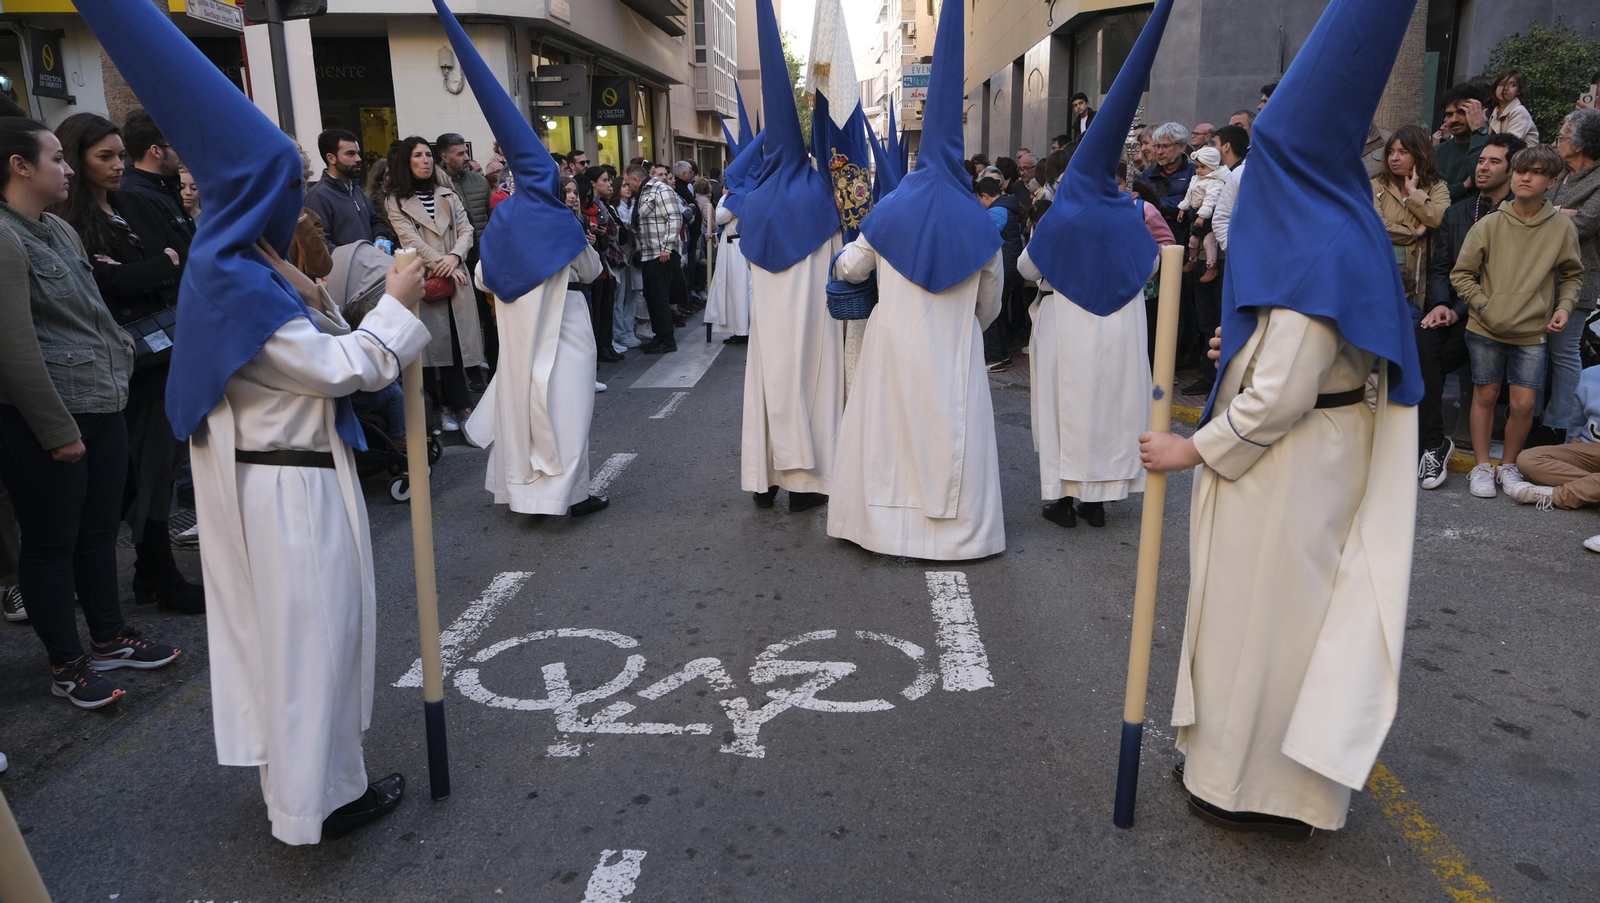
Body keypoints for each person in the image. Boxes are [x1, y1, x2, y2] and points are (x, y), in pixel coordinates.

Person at [77, 0, 435, 843]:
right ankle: (319, 805)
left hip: (289, 476)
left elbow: (317, 339)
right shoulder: (233, 280)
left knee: (306, 645)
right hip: (288, 486)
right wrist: (396, 305)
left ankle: (307, 790)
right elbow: (341, 368)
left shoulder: (242, 268)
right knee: (311, 646)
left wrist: (323, 293)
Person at [1139, 0, 1425, 837]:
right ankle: (1242, 772)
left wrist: (1193, 447)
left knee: (1258, 622)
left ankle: (1245, 787)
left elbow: (1281, 394)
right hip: (1310, 460)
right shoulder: (1340, 227)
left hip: (1288, 466)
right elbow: (1300, 342)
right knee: (1271, 618)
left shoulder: (1319, 242)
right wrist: (1252, 335)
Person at [0, 113, 180, 710]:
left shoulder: (58, 229)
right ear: (19, 166)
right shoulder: (5, 239)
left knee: (98, 532)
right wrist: (55, 430)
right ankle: (67, 662)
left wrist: (123, 355)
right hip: (49, 415)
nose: (68, 168)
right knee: (51, 541)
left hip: (103, 400)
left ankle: (108, 637)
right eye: (56, 158)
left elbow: (93, 314)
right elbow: (15, 346)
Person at [827, 0, 1004, 560]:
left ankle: (883, 532)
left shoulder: (888, 213)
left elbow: (850, 268)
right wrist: (960, 323)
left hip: (893, 340)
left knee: (887, 435)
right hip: (952, 344)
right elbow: (990, 304)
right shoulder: (978, 221)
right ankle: (954, 538)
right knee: (951, 438)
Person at [435, 1, 607, 519]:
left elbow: (486, 276)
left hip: (516, 328)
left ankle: (521, 493)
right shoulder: (559, 220)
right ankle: (564, 496)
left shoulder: (505, 217)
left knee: (520, 405)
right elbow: (590, 272)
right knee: (566, 411)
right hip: (564, 324)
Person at [1022, 0, 1170, 532]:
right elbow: (1152, 267)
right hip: (1121, 325)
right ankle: (1098, 500)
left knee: (1063, 413)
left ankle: (1062, 497)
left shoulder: (1061, 215)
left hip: (1067, 321)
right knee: (1110, 408)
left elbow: (1025, 268)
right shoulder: (1130, 215)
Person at [49, 113, 206, 615]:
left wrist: (150, 270)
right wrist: (158, 267)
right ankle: (153, 571)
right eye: (105, 157)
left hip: (165, 353)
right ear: (77, 159)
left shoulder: (132, 203)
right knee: (140, 470)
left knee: (155, 466)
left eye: (120, 154)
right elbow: (107, 285)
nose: (118, 165)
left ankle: (151, 570)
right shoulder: (67, 222)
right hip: (125, 363)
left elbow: (184, 256)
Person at [739, 0, 846, 513]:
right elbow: (838, 256)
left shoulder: (755, 201)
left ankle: (765, 480)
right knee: (813, 384)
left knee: (767, 384)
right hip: (813, 315)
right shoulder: (820, 195)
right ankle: (805, 484)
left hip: (769, 316)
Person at [1452, 144, 1583, 498]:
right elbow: (1462, 274)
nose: (1526, 177)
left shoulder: (1561, 228)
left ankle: (1508, 465)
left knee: (1524, 403)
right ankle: (1482, 466)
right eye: (1521, 170)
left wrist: (1565, 307)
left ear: (1552, 181)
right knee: (1486, 394)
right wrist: (1484, 306)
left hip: (1532, 330)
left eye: (1537, 172)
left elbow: (1572, 274)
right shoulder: (1491, 223)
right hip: (1485, 325)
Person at [1417, 133, 1523, 490]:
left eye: (1494, 162)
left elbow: (1497, 276)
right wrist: (1441, 306)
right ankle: (1433, 442)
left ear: (1512, 170)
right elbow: (1440, 267)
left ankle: (1429, 442)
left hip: (1492, 314)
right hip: (1455, 309)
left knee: (1434, 356)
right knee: (1421, 344)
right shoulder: (1460, 211)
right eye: (1481, 160)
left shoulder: (1519, 213)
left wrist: (1457, 310)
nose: (1483, 167)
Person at [384, 136, 482, 433]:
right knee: (428, 347)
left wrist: (453, 257)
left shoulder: (447, 194)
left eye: (428, 155)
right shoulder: (395, 200)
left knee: (456, 343)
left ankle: (461, 408)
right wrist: (442, 263)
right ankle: (440, 409)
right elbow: (408, 238)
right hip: (423, 278)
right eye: (417, 156)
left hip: (456, 275)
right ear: (406, 161)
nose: (425, 160)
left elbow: (467, 229)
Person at [1543, 109, 1600, 442]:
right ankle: (1534, 417)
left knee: (1564, 354)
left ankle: (1559, 425)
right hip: (1538, 276)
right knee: (1534, 352)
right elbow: (1528, 209)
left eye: (1563, 136)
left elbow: (1585, 223)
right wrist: (1559, 214)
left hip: (1578, 276)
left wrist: (1550, 216)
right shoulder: (1556, 174)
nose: (1558, 141)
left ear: (1582, 143)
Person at [1504, 364, 1600, 554]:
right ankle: (1593, 488)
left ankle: (1558, 496)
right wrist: (1571, 444)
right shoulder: (1590, 374)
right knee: (1528, 459)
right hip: (1589, 448)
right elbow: (1576, 421)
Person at [436, 132, 495, 382]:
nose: (466, 157)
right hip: (455, 260)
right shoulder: (437, 185)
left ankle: (495, 370)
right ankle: (472, 375)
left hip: (483, 258)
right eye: (459, 153)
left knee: (490, 318)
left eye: (465, 152)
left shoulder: (480, 182)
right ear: (445, 156)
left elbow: (489, 219)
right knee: (463, 322)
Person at [1374, 125, 1451, 311]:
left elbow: (1440, 220)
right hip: (1381, 268)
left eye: (1402, 152)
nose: (1394, 158)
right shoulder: (1376, 185)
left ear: (1419, 154)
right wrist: (1415, 233)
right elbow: (1375, 225)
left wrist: (1413, 192)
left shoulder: (1436, 186)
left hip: (1419, 274)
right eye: (1391, 152)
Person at [707, 132, 762, 344]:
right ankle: (742, 328)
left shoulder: (736, 196)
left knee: (739, 289)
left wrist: (722, 199)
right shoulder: (746, 193)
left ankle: (743, 330)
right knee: (739, 288)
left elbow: (720, 217)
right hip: (735, 245)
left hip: (736, 247)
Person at [623, 163, 682, 353]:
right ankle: (659, 336)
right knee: (651, 296)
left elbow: (674, 217)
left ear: (635, 179)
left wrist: (667, 247)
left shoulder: (660, 189)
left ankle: (667, 339)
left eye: (627, 183)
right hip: (648, 252)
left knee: (659, 296)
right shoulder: (641, 194)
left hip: (660, 253)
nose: (626, 187)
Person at [306, 129, 395, 249]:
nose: (358, 159)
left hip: (371, 263)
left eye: (357, 153)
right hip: (345, 266)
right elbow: (320, 245)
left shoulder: (356, 190)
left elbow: (375, 221)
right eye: (350, 154)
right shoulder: (318, 196)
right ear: (331, 158)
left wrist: (380, 239)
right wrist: (356, 257)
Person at [120, 109, 194, 245]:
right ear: (156, 151)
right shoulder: (135, 196)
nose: (180, 154)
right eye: (175, 147)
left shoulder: (165, 187)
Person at [975, 177, 1023, 372]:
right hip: (1011, 267)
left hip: (1004, 267)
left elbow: (985, 237)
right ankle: (1003, 356)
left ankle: (994, 358)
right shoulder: (1007, 207)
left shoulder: (997, 211)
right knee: (999, 313)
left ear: (985, 196)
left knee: (992, 313)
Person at [585, 165, 626, 363]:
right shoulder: (587, 207)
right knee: (598, 310)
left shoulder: (602, 206)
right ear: (592, 184)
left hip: (606, 262)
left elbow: (616, 230)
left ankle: (607, 344)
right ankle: (600, 347)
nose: (609, 184)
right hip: (595, 263)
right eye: (604, 180)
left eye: (610, 180)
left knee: (607, 306)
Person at [1178, 145, 1226, 283]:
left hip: (1209, 219)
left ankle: (1212, 267)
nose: (1198, 171)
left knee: (1208, 241)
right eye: (1197, 167)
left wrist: (1202, 216)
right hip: (1196, 215)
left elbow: (1211, 200)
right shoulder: (1196, 179)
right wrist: (1183, 208)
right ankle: (1192, 260)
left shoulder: (1215, 182)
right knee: (1193, 240)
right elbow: (1189, 195)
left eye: (1202, 167)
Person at [1435, 87, 1490, 203]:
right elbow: (1429, 195)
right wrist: (1464, 186)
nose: (1454, 119)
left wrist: (1478, 129)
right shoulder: (1437, 151)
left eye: (1462, 112)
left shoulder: (1495, 148)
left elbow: (1478, 177)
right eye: (1449, 114)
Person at [1489, 67, 1540, 148]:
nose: (1505, 88)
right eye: (1502, 84)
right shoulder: (1496, 111)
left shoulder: (1519, 111)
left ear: (1518, 91)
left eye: (1512, 85)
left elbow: (1509, 145)